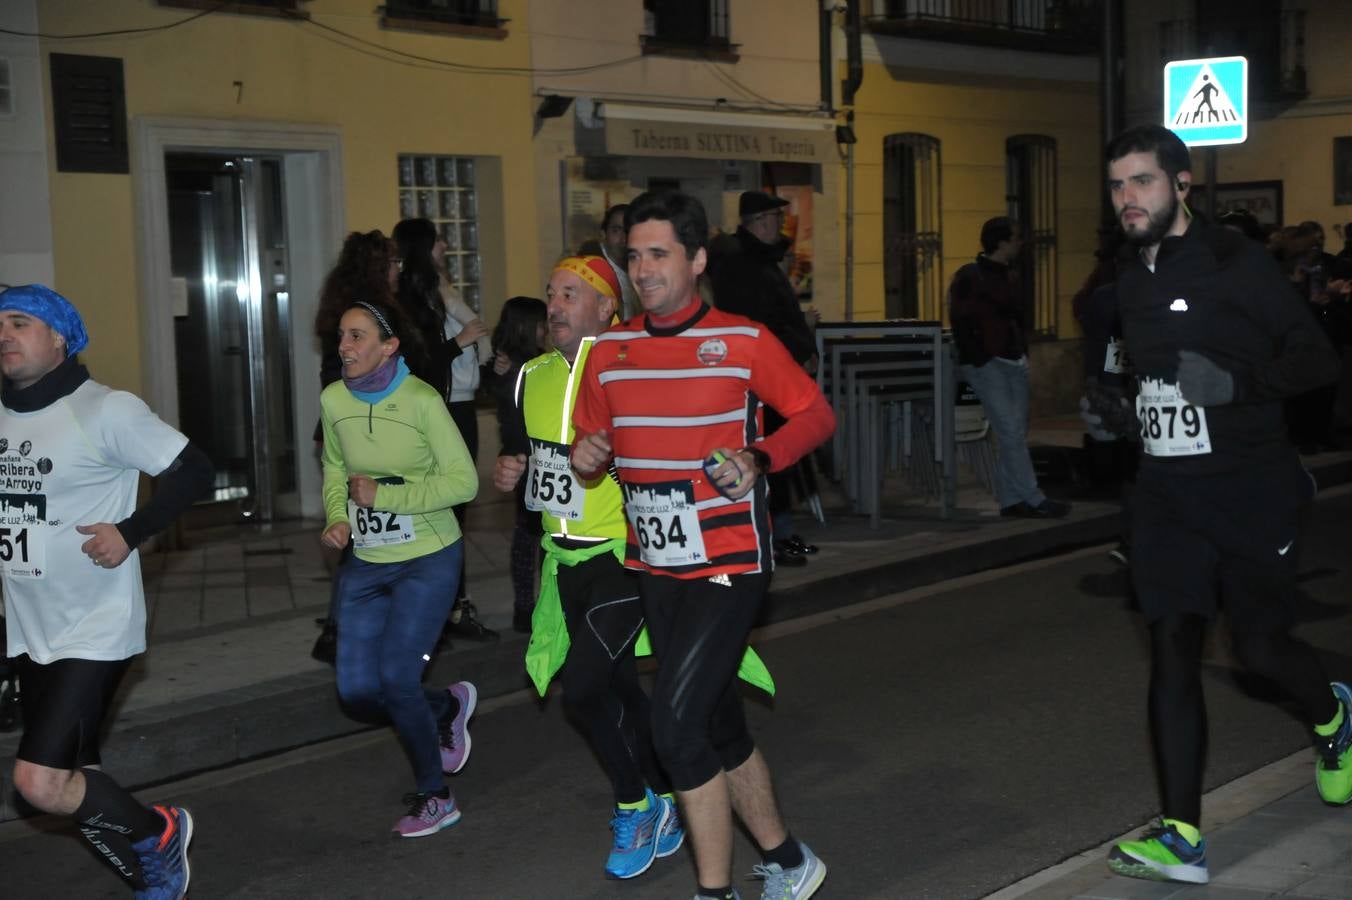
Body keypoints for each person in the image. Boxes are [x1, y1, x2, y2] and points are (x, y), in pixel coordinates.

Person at [1101, 123, 1352, 885]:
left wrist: (1237, 388)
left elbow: (1315, 358)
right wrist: (1115, 406)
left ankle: (1335, 717)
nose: (1127, 199)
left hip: (1249, 488)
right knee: (1172, 646)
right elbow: (1142, 372)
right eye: (1116, 185)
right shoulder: (1127, 271)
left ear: (1182, 186)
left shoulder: (1235, 263)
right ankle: (1181, 834)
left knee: (1261, 649)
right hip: (1167, 495)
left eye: (1142, 181)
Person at [571, 191, 833, 900]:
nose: (645, 268)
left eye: (659, 254)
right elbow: (587, 446)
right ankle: (789, 862)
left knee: (675, 728)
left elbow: (814, 412)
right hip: (656, 563)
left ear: (696, 259)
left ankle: (713, 894)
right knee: (717, 724)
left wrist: (761, 458)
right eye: (635, 255)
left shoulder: (742, 340)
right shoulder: (609, 352)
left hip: (731, 561)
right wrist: (587, 453)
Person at [0, 284, 214, 898]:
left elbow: (193, 471)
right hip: (29, 628)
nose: (5, 335)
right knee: (76, 777)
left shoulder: (105, 410)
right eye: (0, 325)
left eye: (20, 322)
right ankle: (152, 872)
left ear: (59, 336)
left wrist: (130, 530)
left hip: (93, 627)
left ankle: (160, 830)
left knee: (38, 784)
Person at [494, 255, 686, 880]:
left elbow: (669, 459)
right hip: (565, 562)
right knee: (619, 687)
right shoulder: (530, 377)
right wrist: (514, 472)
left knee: (582, 688)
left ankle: (636, 802)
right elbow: (535, 461)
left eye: (571, 294)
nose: (554, 305)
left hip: (622, 559)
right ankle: (674, 790)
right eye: (550, 293)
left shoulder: (635, 371)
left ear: (607, 308)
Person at [319, 298, 480, 837]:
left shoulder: (421, 400)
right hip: (366, 561)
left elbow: (464, 483)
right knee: (358, 691)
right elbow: (335, 468)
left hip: (429, 558)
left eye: (358, 336)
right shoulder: (333, 399)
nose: (345, 347)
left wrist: (387, 496)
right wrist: (339, 517)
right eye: (342, 335)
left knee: (396, 677)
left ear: (389, 346)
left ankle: (435, 796)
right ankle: (445, 707)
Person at [391, 217, 496, 642]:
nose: (447, 245)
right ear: (423, 247)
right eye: (438, 241)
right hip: (442, 411)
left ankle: (447, 606)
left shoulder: (438, 292)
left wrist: (488, 362)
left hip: (459, 406)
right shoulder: (414, 298)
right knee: (442, 512)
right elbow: (417, 359)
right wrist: (461, 342)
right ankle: (443, 609)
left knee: (452, 511)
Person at [707, 190, 821, 567]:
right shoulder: (743, 263)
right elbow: (760, 322)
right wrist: (795, 352)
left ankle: (781, 532)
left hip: (775, 370)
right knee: (767, 456)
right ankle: (774, 534)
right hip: (761, 377)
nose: (781, 223)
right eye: (775, 216)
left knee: (779, 457)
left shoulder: (761, 259)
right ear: (759, 221)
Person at [309, 230, 402, 663]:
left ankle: (344, 626)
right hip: (360, 430)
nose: (398, 270)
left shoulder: (339, 310)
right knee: (362, 536)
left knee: (356, 531)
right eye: (392, 263)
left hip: (340, 425)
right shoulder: (372, 317)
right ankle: (341, 629)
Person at [949, 217, 1069, 518]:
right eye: (1016, 238)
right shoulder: (971, 276)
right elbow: (962, 320)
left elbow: (1012, 318)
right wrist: (980, 357)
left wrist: (1020, 352)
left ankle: (1011, 499)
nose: (1020, 243)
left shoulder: (1007, 275)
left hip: (1012, 360)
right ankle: (1033, 497)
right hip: (990, 364)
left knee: (1014, 431)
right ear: (1001, 241)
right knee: (1011, 430)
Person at [483, 295, 548, 634]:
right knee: (535, 535)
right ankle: (530, 606)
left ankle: (525, 608)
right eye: (541, 322)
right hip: (528, 460)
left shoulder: (514, 364)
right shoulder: (525, 367)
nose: (546, 328)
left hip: (521, 458)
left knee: (528, 535)